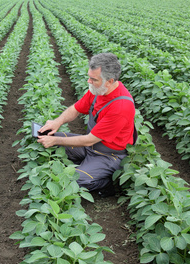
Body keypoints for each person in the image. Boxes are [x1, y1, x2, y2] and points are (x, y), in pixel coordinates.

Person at [37, 52, 136, 196]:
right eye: (89, 77)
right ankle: (86, 166)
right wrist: (57, 122)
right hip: (90, 146)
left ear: (109, 81)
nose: (89, 81)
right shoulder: (98, 90)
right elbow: (76, 109)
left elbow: (90, 139)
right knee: (44, 136)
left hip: (108, 155)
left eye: (93, 79)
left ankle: (107, 183)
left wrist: (55, 140)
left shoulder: (120, 106)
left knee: (72, 182)